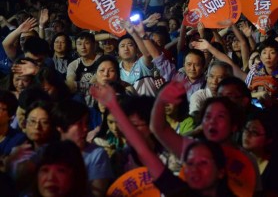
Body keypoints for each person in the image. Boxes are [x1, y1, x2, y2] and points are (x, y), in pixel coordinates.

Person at [90, 82, 237, 197]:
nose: (193, 170)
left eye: (203, 163)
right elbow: (143, 150)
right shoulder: (178, 191)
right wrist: (113, 105)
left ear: (221, 171)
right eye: (190, 163)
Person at [52, 100, 113, 197]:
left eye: (87, 123)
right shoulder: (49, 152)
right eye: (79, 124)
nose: (86, 129)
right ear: (61, 127)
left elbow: (97, 194)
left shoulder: (96, 154)